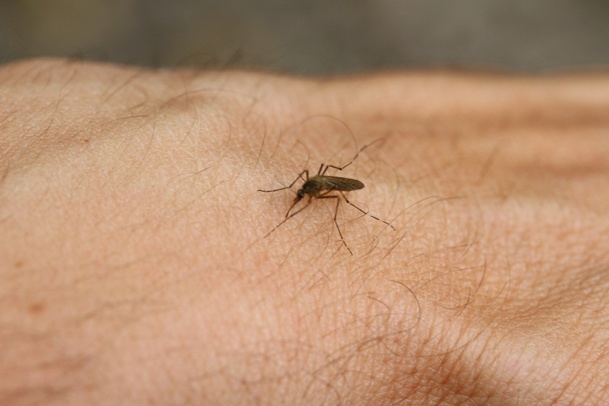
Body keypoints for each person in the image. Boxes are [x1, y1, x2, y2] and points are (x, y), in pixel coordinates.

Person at [1, 59, 608, 405]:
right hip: (325, 179)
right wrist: (286, 193)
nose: (306, 192)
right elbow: (307, 179)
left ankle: (358, 216)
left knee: (342, 207)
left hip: (344, 189)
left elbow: (324, 186)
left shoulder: (325, 190)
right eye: (303, 191)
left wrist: (322, 198)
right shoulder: (308, 183)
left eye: (303, 191)